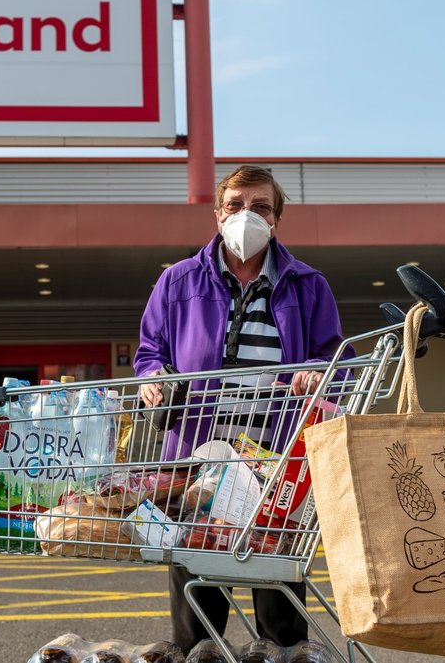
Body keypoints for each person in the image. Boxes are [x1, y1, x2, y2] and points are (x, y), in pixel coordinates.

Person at [133, 164, 350, 654]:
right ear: (217, 213)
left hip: (274, 457)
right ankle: (197, 654)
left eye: (260, 207)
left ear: (276, 220)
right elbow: (150, 353)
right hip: (197, 456)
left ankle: (283, 653)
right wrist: (151, 382)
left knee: (275, 580)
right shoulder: (177, 281)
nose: (246, 215)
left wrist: (319, 372)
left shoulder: (308, 285)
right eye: (235, 205)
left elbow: (338, 358)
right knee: (197, 582)